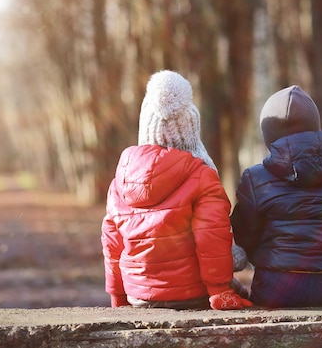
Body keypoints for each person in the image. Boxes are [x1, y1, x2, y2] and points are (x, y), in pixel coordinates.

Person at [102, 70, 252, 310]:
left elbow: (112, 244)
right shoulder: (202, 175)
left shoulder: (120, 180)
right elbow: (211, 236)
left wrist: (118, 297)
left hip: (137, 296)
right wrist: (219, 290)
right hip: (191, 294)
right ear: (190, 133)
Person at [231, 85, 322, 308]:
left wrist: (270, 260)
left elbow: (244, 235)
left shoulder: (255, 179)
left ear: (268, 135)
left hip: (276, 288)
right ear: (315, 126)